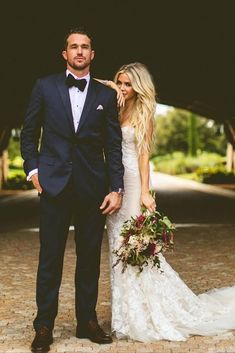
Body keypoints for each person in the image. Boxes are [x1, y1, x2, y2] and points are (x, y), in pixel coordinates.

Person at [106, 62, 235, 342]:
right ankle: (124, 314)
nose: (124, 88)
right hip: (113, 182)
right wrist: (112, 86)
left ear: (139, 86)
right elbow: (94, 85)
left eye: (129, 84)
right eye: (121, 82)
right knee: (116, 245)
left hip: (131, 181)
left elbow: (143, 158)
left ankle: (145, 313)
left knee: (133, 247)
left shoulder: (143, 113)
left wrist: (145, 192)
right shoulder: (115, 106)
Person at [20, 27, 124, 352]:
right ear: (64, 53)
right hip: (54, 187)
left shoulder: (106, 96)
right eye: (74, 47)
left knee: (89, 258)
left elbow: (114, 146)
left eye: (85, 47)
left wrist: (116, 187)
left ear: (92, 54)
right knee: (50, 258)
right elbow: (28, 134)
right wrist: (33, 171)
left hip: (92, 189)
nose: (79, 52)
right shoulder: (44, 87)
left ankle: (87, 321)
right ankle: (44, 326)